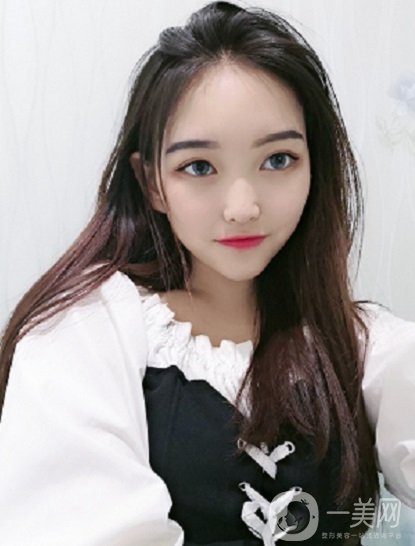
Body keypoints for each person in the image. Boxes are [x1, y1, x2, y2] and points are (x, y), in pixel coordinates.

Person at [0, 1, 414, 545]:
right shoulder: (89, 329)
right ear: (151, 183)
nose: (242, 207)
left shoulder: (359, 343)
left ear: (315, 163)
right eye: (198, 167)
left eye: (278, 160)